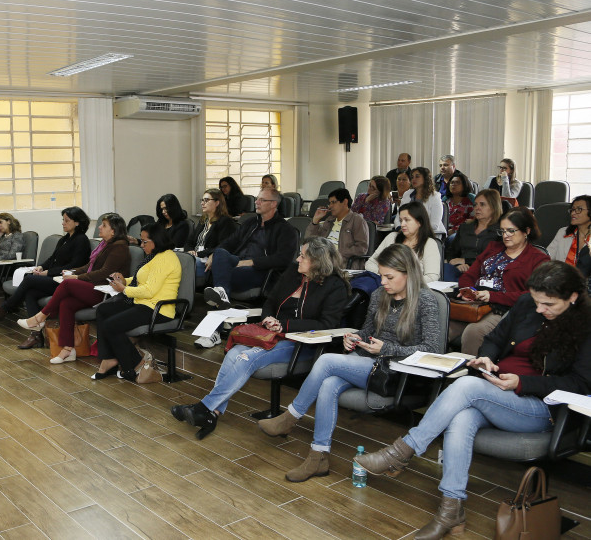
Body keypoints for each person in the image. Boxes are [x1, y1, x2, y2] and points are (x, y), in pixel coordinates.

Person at [355, 261, 591, 540]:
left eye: (548, 304)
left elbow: (580, 382)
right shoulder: (528, 303)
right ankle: (451, 512)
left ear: (573, 297)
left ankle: (402, 452)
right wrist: (487, 357)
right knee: (463, 417)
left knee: (466, 385)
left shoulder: (586, 324)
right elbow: (493, 338)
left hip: (541, 407)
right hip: (498, 391)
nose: (540, 309)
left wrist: (523, 382)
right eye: (537, 302)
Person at [257, 244, 441, 482]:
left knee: (326, 363)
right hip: (370, 362)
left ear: (408, 273)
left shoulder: (425, 301)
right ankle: (318, 456)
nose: (382, 282)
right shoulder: (379, 296)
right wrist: (356, 338)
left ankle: (290, 417)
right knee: (329, 384)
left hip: (398, 372)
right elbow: (368, 331)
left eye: (389, 277)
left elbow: (433, 349)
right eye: (382, 275)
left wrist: (388, 349)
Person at [171, 237, 350, 440]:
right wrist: (268, 318)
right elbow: (270, 301)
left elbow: (327, 325)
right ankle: (212, 413)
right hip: (272, 335)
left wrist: (285, 325)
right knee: (235, 352)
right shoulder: (293, 272)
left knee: (248, 357)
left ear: (317, 261)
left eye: (303, 256)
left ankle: (204, 408)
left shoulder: (335, 286)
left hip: (301, 343)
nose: (298, 259)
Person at [17, 213, 131, 362]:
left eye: (104, 225)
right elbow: (89, 267)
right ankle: (68, 350)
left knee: (68, 284)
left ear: (113, 231)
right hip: (94, 287)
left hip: (105, 292)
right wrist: (73, 272)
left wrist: (76, 277)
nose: (100, 227)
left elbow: (104, 274)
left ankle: (40, 317)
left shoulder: (119, 248)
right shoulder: (105, 245)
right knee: (66, 304)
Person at [0, 207, 91, 348]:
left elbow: (74, 265)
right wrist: (41, 267)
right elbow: (52, 259)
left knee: (29, 279)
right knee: (30, 292)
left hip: (65, 281)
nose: (63, 223)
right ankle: (36, 336)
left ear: (77, 222)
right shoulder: (64, 239)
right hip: (55, 278)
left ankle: (4, 309)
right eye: (63, 220)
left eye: (66, 220)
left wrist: (48, 273)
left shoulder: (81, 240)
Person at [450, 207, 550, 355]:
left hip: (504, 308)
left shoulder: (538, 259)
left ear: (527, 231)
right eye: (502, 231)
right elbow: (469, 275)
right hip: (474, 303)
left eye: (511, 231)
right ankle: (431, 375)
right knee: (440, 325)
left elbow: (531, 296)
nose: (506, 236)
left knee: (473, 332)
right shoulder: (493, 248)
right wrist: (468, 290)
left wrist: (492, 296)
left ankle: (470, 376)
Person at [91, 223, 182, 381]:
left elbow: (149, 290)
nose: (141, 245)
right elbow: (142, 279)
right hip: (143, 303)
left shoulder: (165, 258)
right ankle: (110, 359)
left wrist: (123, 290)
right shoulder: (155, 256)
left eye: (144, 241)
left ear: (156, 240)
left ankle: (134, 364)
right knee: (103, 310)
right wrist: (124, 281)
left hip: (158, 309)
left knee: (111, 325)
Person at [203, 189, 299, 310]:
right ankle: (222, 295)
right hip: (238, 262)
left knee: (222, 274)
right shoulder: (251, 223)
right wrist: (213, 255)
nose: (256, 202)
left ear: (273, 204)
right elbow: (229, 242)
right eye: (257, 199)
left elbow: (283, 259)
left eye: (262, 200)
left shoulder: (285, 229)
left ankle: (222, 298)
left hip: (260, 271)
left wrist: (251, 262)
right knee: (219, 252)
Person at [367, 202, 441, 283]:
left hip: (413, 290)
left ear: (419, 222)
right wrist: (385, 275)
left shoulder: (429, 244)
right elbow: (371, 263)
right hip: (383, 284)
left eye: (407, 220)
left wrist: (403, 281)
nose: (402, 224)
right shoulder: (392, 237)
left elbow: (432, 276)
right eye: (401, 220)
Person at [444, 189, 503, 281]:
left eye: (482, 204)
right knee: (445, 268)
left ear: (493, 207)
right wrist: (457, 264)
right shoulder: (465, 227)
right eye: (475, 204)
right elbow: (452, 252)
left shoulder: (500, 231)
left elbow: (495, 259)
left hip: (485, 273)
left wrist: (465, 261)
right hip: (461, 270)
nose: (477, 208)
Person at [184, 188, 237, 279]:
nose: (202, 203)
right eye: (202, 200)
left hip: (207, 260)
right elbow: (190, 241)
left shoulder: (226, 221)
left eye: (206, 200)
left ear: (217, 203)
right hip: (195, 257)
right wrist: (190, 250)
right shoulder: (203, 221)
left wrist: (199, 254)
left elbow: (222, 247)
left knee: (181, 266)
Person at [306, 187, 369, 262]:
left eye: (333, 202)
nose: (330, 206)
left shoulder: (357, 220)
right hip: (323, 261)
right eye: (329, 203)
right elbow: (309, 240)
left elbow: (361, 248)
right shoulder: (329, 220)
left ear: (345, 202)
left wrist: (336, 253)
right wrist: (315, 221)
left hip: (342, 262)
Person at [547, 195, 591, 284]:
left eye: (579, 209)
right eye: (572, 210)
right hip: (561, 283)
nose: (573, 213)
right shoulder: (563, 232)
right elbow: (547, 258)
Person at [396, 167, 446, 235]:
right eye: (412, 177)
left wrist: (413, 230)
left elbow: (434, 225)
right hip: (407, 232)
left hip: (429, 234)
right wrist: (399, 228)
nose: (414, 179)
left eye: (417, 176)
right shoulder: (407, 194)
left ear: (425, 179)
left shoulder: (435, 197)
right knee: (391, 237)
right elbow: (398, 217)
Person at [444, 170, 475, 238]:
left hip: (461, 233)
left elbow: (472, 221)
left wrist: (455, 231)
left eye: (457, 182)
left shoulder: (469, 202)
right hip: (444, 232)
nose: (453, 185)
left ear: (464, 185)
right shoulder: (445, 201)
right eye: (452, 182)